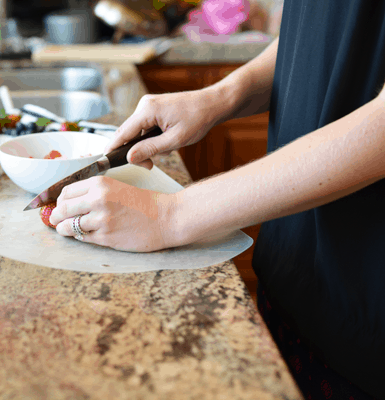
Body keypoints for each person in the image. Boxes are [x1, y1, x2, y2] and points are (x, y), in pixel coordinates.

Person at [49, 1, 385, 399]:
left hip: (368, 305)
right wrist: (223, 96)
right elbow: (325, 28)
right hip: (297, 279)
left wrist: (169, 215)